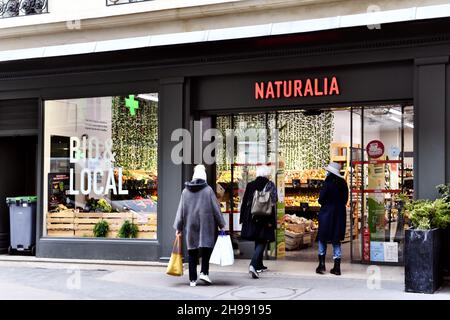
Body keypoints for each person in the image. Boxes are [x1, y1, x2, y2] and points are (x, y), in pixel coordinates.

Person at [173, 164, 226, 287]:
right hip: (206, 224)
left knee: (192, 251)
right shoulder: (208, 191)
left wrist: (178, 227)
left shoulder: (185, 192)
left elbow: (180, 211)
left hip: (191, 225)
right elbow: (216, 209)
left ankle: (192, 280)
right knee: (206, 248)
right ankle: (204, 272)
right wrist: (221, 224)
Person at [240, 165, 277, 279]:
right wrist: (272, 220)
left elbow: (244, 201)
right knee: (262, 240)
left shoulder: (251, 185)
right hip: (265, 217)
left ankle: (259, 264)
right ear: (267, 174)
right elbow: (274, 201)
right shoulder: (270, 185)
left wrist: (242, 218)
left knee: (258, 238)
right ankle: (253, 264)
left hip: (252, 217)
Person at [315, 162, 349, 276]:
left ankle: (321, 265)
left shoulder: (327, 182)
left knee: (322, 238)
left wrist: (324, 203)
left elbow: (321, 199)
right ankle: (337, 267)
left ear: (329, 172)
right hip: (339, 213)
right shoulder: (343, 183)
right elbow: (345, 199)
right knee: (336, 239)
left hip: (327, 214)